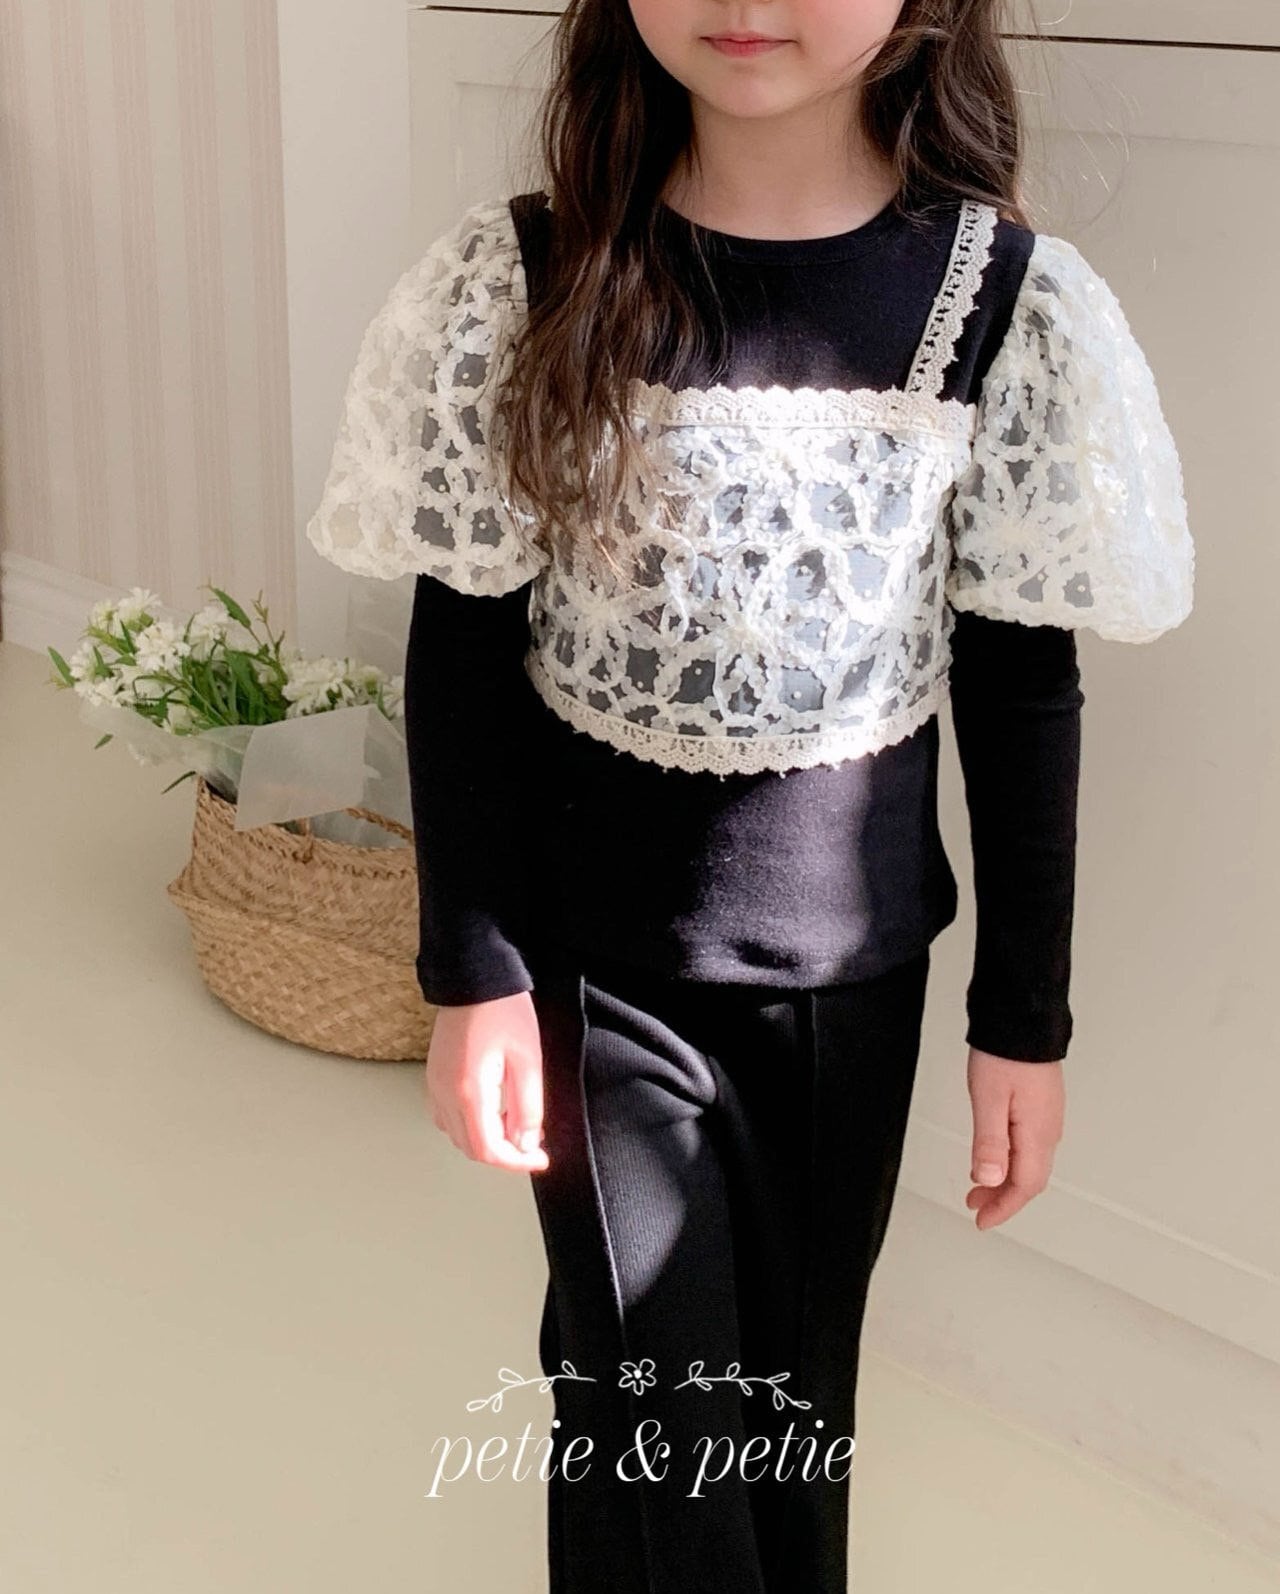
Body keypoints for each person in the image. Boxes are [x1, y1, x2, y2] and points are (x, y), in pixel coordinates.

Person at [305, 0, 1194, 1587]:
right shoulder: (527, 275)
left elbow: (1019, 686)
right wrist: (474, 973)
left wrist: (1024, 1019)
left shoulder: (1001, 304)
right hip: (597, 982)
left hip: (853, 995)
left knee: (786, 1408)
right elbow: (467, 647)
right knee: (667, 1424)